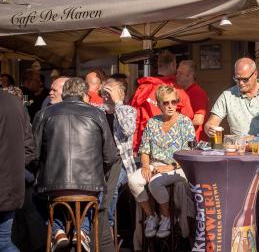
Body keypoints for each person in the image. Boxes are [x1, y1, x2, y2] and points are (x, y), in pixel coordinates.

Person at [33, 77, 119, 251]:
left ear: (64, 94)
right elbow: (110, 156)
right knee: (94, 200)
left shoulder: (44, 114)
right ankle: (83, 232)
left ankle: (58, 231)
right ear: (83, 94)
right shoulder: (97, 114)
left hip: (53, 188)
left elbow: (34, 155)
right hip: (90, 188)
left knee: (36, 197)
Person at [128, 85, 195, 238]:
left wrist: (169, 167)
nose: (170, 106)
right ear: (158, 104)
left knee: (155, 183)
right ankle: (151, 216)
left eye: (174, 102)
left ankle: (166, 217)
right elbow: (145, 149)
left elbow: (188, 153)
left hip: (178, 167)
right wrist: (145, 165)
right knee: (133, 180)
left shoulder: (185, 122)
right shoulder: (152, 122)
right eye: (166, 103)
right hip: (155, 164)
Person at [130, 50, 194, 152]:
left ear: (158, 65)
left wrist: (134, 147)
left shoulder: (143, 88)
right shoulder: (178, 91)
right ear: (174, 64)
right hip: (172, 150)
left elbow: (133, 118)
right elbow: (189, 118)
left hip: (144, 148)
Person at [204, 57, 259, 137]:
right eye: (237, 79)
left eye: (245, 79)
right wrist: (209, 128)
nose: (241, 83)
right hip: (239, 147)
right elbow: (211, 123)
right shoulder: (228, 95)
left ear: (255, 74)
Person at [0, 90, 35, 252]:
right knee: (4, 241)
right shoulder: (15, 103)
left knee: (4, 242)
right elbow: (29, 148)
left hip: (8, 185)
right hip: (10, 186)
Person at [101, 79, 137, 234]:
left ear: (120, 93)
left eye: (110, 91)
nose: (107, 94)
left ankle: (106, 226)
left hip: (122, 163)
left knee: (112, 187)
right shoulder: (97, 111)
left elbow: (128, 130)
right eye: (105, 91)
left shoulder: (128, 110)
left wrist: (118, 103)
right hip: (100, 163)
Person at [176, 60, 209, 141]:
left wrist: (173, 126)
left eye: (180, 73)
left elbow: (198, 120)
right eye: (177, 73)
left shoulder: (197, 92)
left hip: (194, 144)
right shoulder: (183, 92)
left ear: (190, 75)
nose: (176, 76)